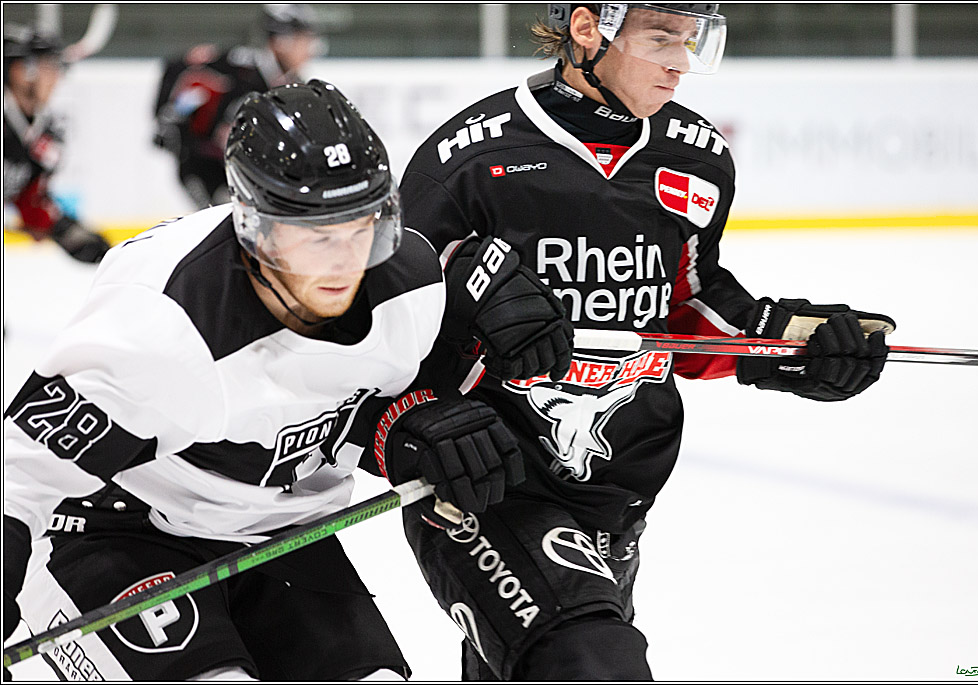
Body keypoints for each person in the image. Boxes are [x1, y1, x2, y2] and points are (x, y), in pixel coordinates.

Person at [1, 79, 564, 681]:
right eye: (316, 237)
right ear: (254, 227)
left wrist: (411, 429)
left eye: (361, 227)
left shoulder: (412, 289)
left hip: (281, 533)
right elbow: (18, 475)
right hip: (116, 529)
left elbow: (359, 408)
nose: (345, 263)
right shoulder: (161, 328)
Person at [397, 3, 895, 680]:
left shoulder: (696, 157)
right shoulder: (471, 158)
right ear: (587, 30)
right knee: (588, 661)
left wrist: (787, 346)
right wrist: (467, 301)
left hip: (620, 489)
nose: (680, 64)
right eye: (661, 39)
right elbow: (390, 320)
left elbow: (686, 305)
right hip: (490, 483)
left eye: (690, 42)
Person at [153, 3, 320, 209]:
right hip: (205, 168)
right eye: (305, 40)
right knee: (228, 218)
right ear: (282, 41)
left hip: (246, 174)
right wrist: (171, 123)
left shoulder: (292, 84)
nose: (311, 50)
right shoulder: (237, 69)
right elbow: (183, 75)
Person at [3, 24, 110, 263]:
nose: (57, 77)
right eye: (49, 66)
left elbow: (30, 198)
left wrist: (66, 232)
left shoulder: (40, 132)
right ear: (20, 71)